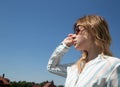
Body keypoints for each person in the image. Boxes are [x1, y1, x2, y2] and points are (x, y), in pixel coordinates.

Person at [47, 15, 120, 87]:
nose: (72, 35)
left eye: (77, 30)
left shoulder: (113, 65)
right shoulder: (74, 68)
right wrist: (64, 46)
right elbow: (51, 67)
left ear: (93, 31)